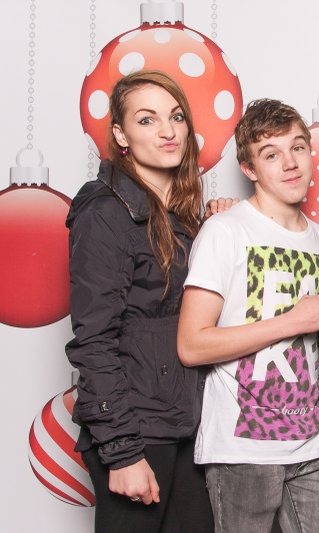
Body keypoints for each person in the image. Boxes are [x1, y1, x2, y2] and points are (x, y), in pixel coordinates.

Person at [176, 98, 319, 533]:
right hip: (244, 448)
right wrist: (292, 322)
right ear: (249, 169)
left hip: (316, 442)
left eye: (297, 147)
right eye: (271, 154)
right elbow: (191, 345)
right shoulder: (225, 230)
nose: (290, 163)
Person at [65, 70, 214, 532]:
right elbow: (94, 341)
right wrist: (123, 452)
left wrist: (220, 226)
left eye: (176, 117)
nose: (168, 131)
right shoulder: (105, 213)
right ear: (120, 135)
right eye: (147, 120)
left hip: (185, 426)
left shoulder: (182, 216)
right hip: (137, 430)